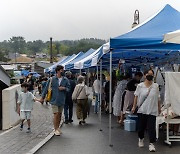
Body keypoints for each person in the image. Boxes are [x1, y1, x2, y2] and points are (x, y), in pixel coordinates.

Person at [132, 69, 161, 152]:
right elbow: (136, 96)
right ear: (145, 75)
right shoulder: (140, 86)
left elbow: (158, 98)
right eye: (149, 74)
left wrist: (159, 108)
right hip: (142, 110)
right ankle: (141, 138)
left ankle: (152, 144)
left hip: (152, 110)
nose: (150, 76)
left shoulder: (156, 86)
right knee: (141, 128)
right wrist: (134, 106)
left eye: (152, 74)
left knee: (152, 128)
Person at [40, 65, 70, 136]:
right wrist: (42, 97)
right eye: (62, 70)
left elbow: (69, 89)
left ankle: (58, 127)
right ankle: (55, 129)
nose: (63, 71)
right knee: (56, 114)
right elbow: (46, 88)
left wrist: (64, 88)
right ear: (58, 71)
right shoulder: (52, 79)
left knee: (59, 115)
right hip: (53, 100)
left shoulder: (65, 80)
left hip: (62, 99)